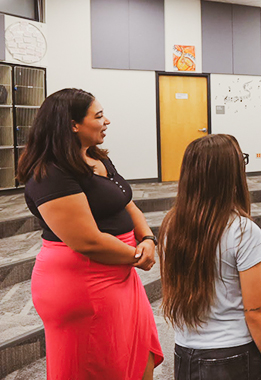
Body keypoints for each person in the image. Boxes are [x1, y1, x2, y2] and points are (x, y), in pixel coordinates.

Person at [16, 88, 164, 379]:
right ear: (73, 124)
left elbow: (125, 200)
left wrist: (147, 238)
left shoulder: (95, 156)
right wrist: (136, 255)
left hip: (120, 272)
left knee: (139, 354)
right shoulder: (50, 173)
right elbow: (87, 241)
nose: (106, 121)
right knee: (97, 364)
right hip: (83, 281)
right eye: (98, 116)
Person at [158, 134, 261, 380]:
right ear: (229, 174)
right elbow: (256, 311)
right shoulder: (242, 230)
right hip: (232, 355)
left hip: (185, 352)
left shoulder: (171, 224)